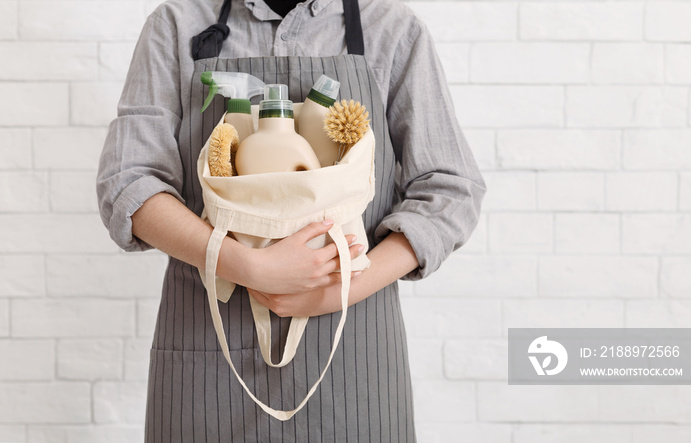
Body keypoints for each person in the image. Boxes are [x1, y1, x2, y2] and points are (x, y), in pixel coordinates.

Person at [96, 0, 486, 441]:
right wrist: (250, 267)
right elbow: (128, 182)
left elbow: (449, 189)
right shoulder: (176, 24)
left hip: (352, 358)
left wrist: (340, 290)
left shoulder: (391, 30)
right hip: (209, 350)